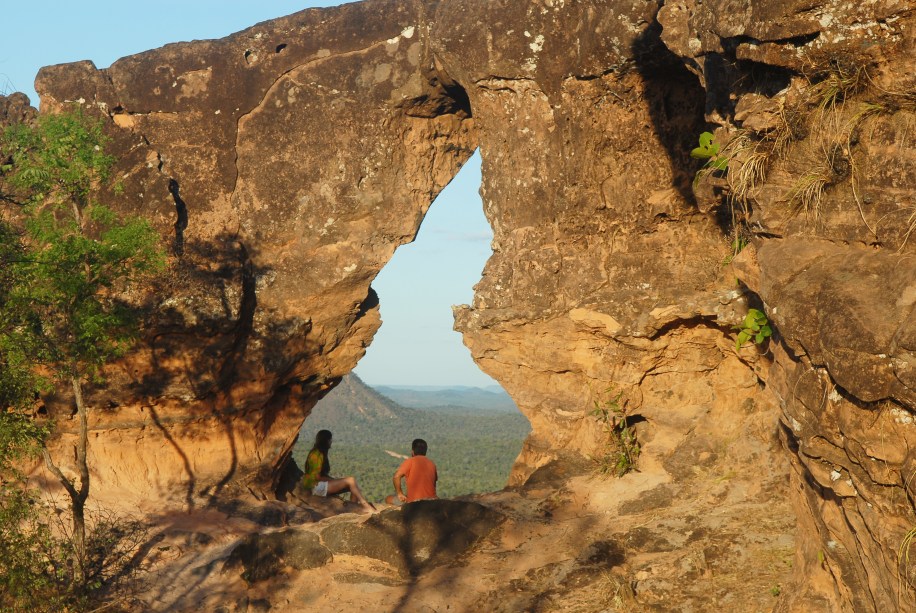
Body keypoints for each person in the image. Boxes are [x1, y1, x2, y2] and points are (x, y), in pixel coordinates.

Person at [301, 429, 376, 512]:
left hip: (319, 485)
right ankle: (365, 505)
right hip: (315, 487)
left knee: (353, 486)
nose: (331, 442)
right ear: (326, 440)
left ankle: (352, 508)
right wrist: (334, 481)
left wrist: (335, 481)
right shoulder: (316, 454)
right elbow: (317, 477)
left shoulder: (320, 453)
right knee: (351, 480)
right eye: (330, 439)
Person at [386, 438, 438, 505]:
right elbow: (434, 482)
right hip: (432, 501)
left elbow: (396, 476)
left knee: (388, 499)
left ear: (412, 451)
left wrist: (399, 493)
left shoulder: (410, 461)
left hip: (414, 502)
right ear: (425, 451)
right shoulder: (432, 463)